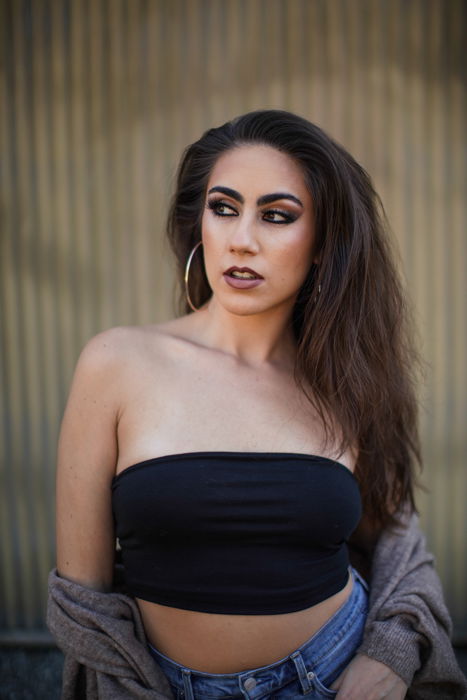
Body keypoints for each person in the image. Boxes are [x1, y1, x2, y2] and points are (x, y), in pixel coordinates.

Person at [48, 110, 466, 700]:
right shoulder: (115, 363)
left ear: (323, 245)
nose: (242, 238)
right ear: (200, 225)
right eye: (224, 208)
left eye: (276, 216)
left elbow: (398, 540)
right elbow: (83, 603)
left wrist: (390, 657)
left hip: (336, 677)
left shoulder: (346, 380)